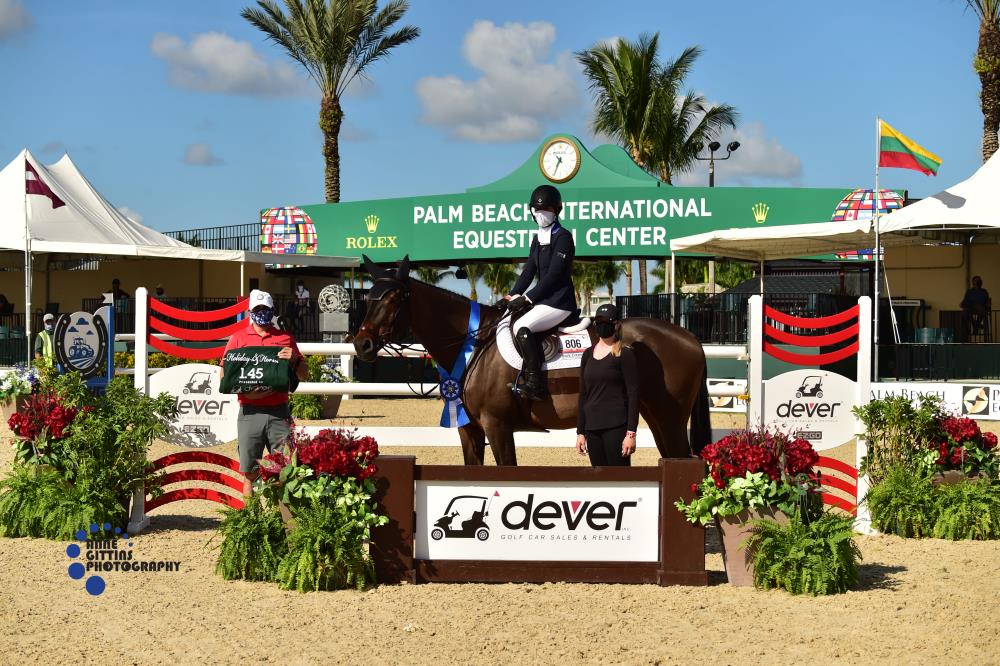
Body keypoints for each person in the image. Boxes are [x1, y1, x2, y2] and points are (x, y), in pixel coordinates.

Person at [221, 289, 309, 495]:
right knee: (250, 474)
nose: (261, 313)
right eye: (257, 309)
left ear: (272, 310)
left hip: (279, 412)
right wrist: (247, 393)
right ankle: (253, 522)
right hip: (249, 412)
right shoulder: (237, 338)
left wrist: (295, 359)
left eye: (265, 309)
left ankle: (282, 522)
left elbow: (304, 375)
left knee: (286, 471)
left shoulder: (285, 338)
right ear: (250, 311)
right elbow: (225, 375)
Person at [503, 184, 577, 399]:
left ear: (557, 211)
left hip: (559, 302)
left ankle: (536, 383)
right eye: (537, 210)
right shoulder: (538, 238)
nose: (541, 214)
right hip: (543, 301)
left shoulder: (563, 237)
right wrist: (511, 295)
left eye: (546, 210)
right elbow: (528, 272)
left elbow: (554, 275)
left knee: (522, 326)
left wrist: (526, 299)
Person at [575, 304, 639, 466]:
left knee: (619, 480)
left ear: (616, 324)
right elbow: (583, 395)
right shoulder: (587, 354)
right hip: (592, 428)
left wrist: (631, 434)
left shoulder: (625, 354)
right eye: (598, 321)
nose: (602, 325)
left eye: (606, 321)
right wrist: (580, 432)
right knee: (599, 483)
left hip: (616, 427)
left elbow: (633, 395)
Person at [961, 275, 992, 340]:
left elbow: (987, 301)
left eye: (979, 280)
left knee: (982, 310)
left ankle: (976, 325)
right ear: (973, 282)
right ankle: (976, 326)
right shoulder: (969, 291)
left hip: (981, 308)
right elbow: (965, 301)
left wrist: (988, 303)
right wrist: (964, 304)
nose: (979, 281)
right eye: (977, 280)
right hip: (971, 308)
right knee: (964, 312)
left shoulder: (984, 291)